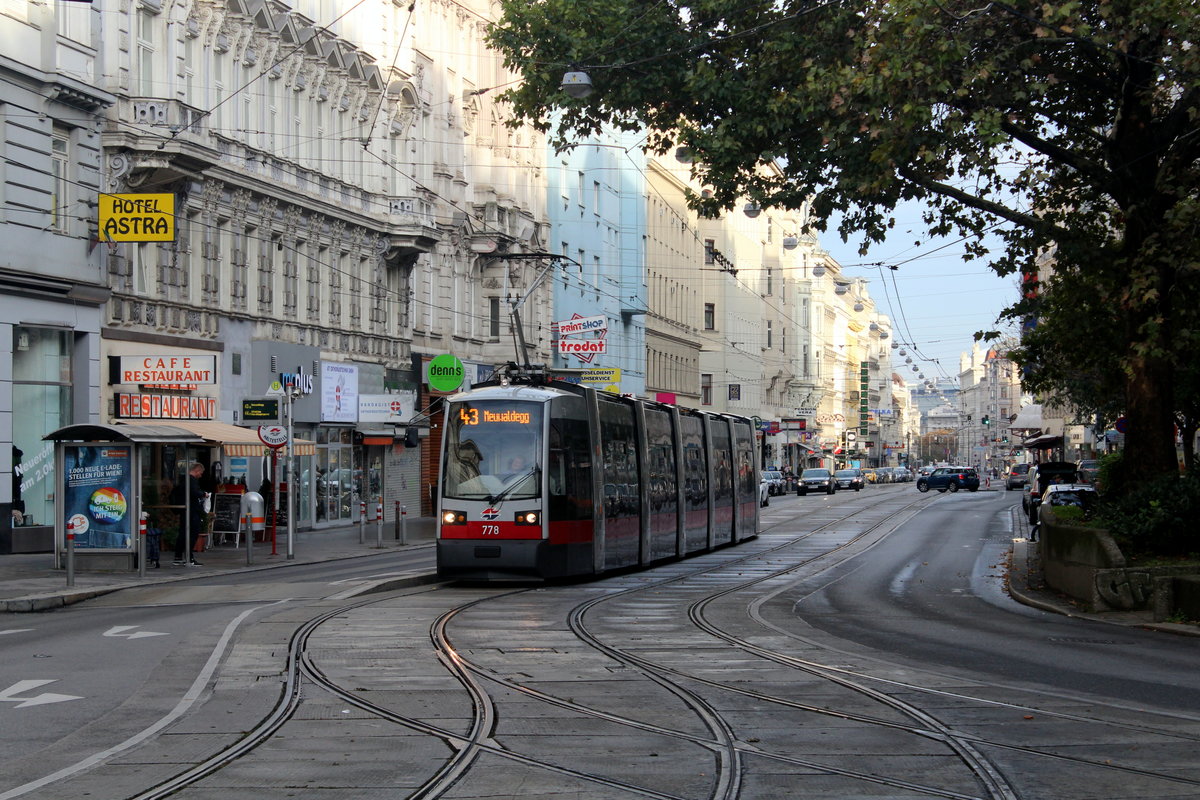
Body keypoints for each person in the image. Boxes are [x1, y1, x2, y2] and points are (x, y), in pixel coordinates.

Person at [172, 462, 206, 566]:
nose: (201, 475)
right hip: (191, 511)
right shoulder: (191, 481)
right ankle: (189, 557)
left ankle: (178, 556)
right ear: (197, 470)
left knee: (183, 533)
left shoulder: (183, 480)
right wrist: (203, 494)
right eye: (200, 472)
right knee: (192, 533)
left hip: (185, 510)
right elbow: (194, 492)